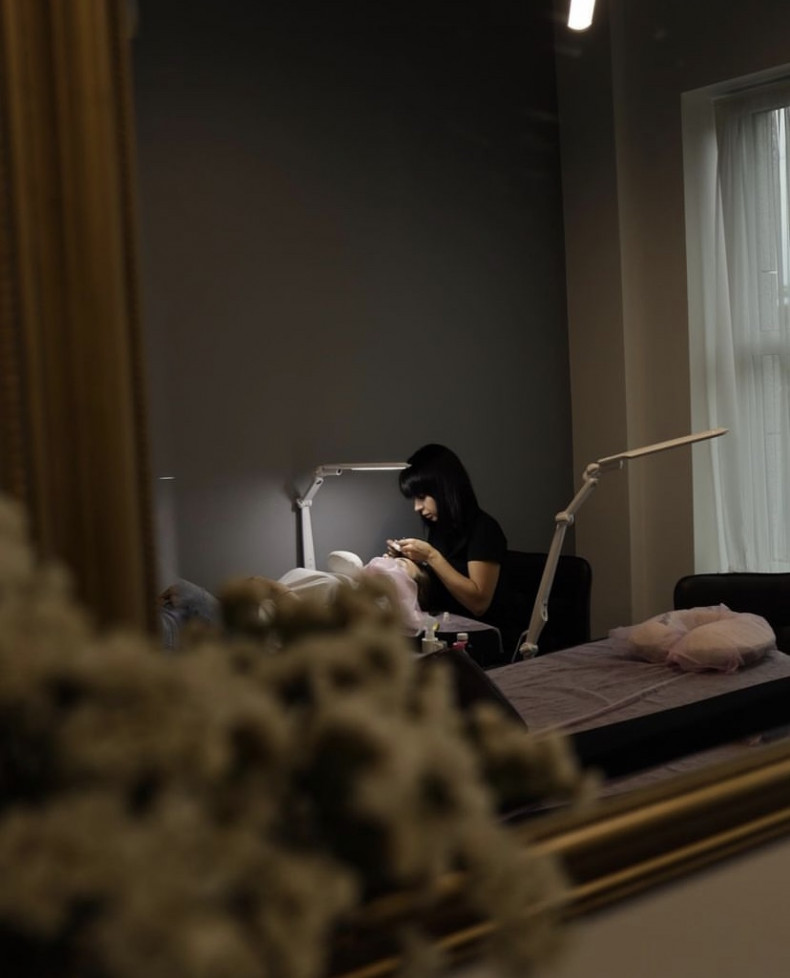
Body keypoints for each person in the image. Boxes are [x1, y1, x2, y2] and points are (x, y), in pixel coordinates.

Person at [392, 444, 518, 664]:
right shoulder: (440, 531)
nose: (417, 507)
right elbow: (440, 587)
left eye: (422, 497)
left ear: (444, 489)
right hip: (446, 633)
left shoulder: (484, 529)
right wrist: (409, 565)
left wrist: (431, 556)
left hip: (482, 642)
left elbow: (479, 603)